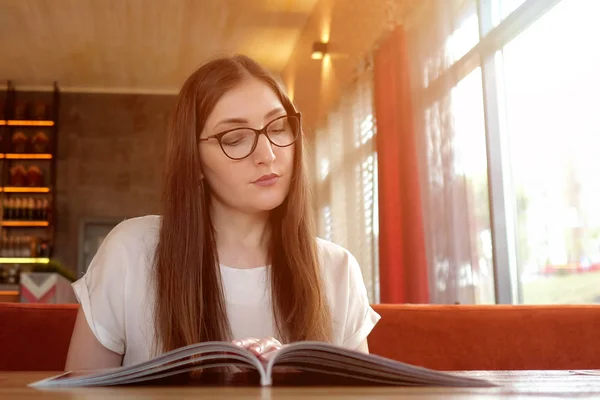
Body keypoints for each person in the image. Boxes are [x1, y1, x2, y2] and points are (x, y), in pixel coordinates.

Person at [64, 54, 380, 371]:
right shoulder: (129, 254)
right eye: (235, 138)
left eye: (278, 127)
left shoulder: (336, 270)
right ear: (195, 162)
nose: (267, 154)